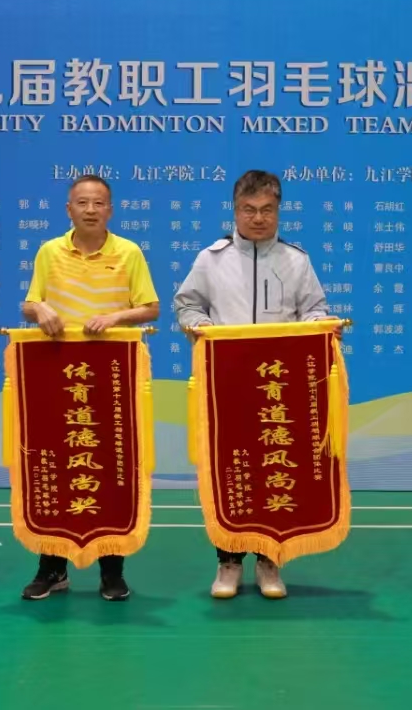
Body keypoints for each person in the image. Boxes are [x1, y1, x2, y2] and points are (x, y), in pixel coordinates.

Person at [174, 169, 335, 600]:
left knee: (275, 471)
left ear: (279, 210)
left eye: (266, 209)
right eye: (249, 210)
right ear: (235, 210)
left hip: (279, 389)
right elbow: (187, 305)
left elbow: (315, 309)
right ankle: (228, 561)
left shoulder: (296, 260)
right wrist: (201, 326)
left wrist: (321, 325)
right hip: (226, 386)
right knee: (229, 472)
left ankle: (270, 561)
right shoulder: (212, 259)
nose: (258, 218)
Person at [18, 174, 160, 603]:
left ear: (110, 210)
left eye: (99, 203)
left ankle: (111, 570)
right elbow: (29, 304)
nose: (91, 210)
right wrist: (40, 309)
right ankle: (51, 568)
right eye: (82, 202)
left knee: (112, 469)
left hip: (111, 379)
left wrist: (115, 317)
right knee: (55, 467)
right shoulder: (49, 251)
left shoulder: (128, 252)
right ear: (69, 209)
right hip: (57, 377)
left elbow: (151, 307)